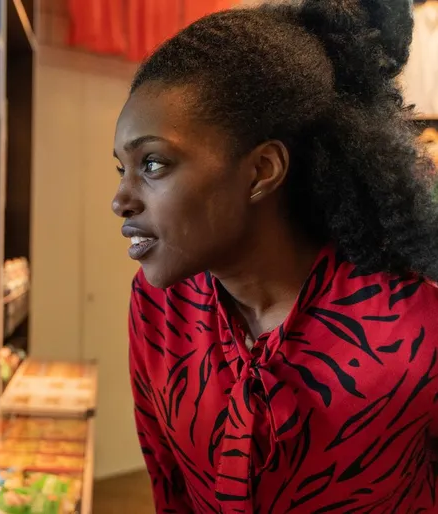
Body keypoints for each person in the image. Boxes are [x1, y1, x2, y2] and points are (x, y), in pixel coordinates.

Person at [112, 0, 438, 512]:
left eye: (153, 163)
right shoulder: (158, 310)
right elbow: (168, 481)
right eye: (121, 169)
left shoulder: (417, 324)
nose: (121, 200)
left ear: (262, 170)